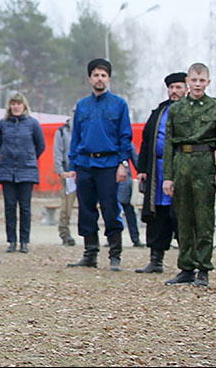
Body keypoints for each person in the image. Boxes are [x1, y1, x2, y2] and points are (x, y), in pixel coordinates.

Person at [66, 58, 132, 272]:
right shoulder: (82, 106)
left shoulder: (119, 104)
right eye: (96, 75)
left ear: (109, 78)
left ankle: (115, 255)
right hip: (85, 163)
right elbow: (75, 137)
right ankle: (90, 253)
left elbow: (125, 137)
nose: (100, 78)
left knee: (110, 208)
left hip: (109, 164)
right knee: (85, 210)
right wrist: (73, 165)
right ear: (89, 78)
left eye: (103, 75)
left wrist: (123, 164)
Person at [163, 63, 216, 287]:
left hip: (205, 164)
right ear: (187, 81)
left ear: (208, 82)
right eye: (194, 80)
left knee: (204, 218)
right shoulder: (176, 109)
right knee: (184, 218)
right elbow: (169, 143)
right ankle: (186, 267)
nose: (198, 85)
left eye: (202, 80)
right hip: (182, 164)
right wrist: (168, 177)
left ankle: (203, 269)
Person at [134, 72, 187, 274]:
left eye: (179, 87)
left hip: (182, 169)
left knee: (181, 215)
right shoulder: (159, 112)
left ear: (186, 88)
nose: (175, 91)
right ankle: (156, 260)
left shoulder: (190, 111)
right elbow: (146, 141)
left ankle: (187, 264)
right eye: (172, 87)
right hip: (157, 171)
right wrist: (142, 169)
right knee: (158, 215)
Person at [0, 91, 46, 254]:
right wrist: (6, 157)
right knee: (9, 207)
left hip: (27, 171)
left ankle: (24, 241)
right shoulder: (3, 124)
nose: (16, 106)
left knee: (25, 207)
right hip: (7, 170)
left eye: (19, 103)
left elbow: (41, 145)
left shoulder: (33, 124)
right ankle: (11, 241)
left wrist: (29, 157)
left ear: (24, 106)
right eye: (13, 104)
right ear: (9, 106)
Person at [53, 108, 76, 246]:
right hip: (68, 174)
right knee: (67, 206)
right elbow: (58, 153)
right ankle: (64, 232)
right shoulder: (62, 132)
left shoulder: (87, 129)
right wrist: (61, 171)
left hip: (85, 172)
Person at [116, 143, 144, 247]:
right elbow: (135, 160)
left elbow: (135, 160)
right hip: (123, 180)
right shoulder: (127, 143)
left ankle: (114, 238)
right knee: (127, 210)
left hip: (121, 181)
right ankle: (135, 238)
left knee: (122, 210)